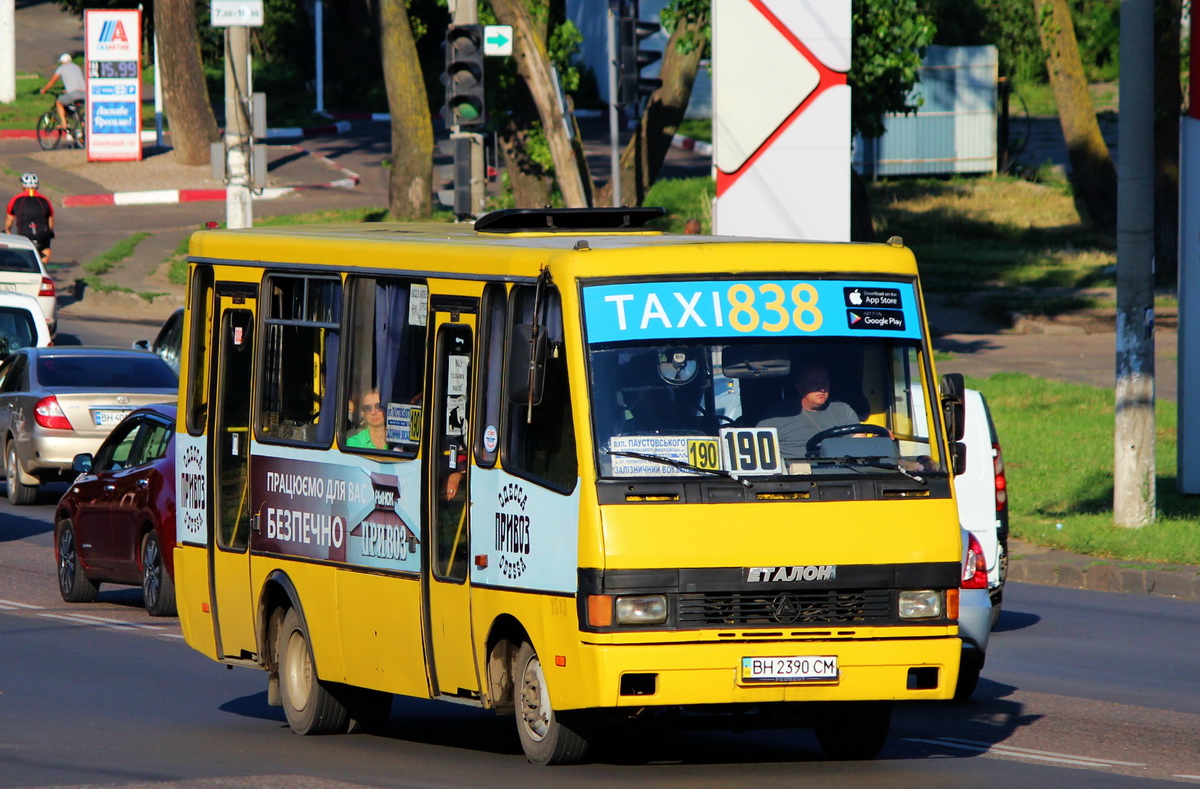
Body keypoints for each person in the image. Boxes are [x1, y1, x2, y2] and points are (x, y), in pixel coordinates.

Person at [757, 364, 862, 459]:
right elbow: (760, 456)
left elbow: (861, 449)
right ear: (799, 388)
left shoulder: (843, 410)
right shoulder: (774, 417)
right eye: (814, 383)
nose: (822, 388)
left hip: (843, 476)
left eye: (825, 382)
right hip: (793, 478)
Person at [5, 173, 55, 264]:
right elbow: (50, 221)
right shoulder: (45, 200)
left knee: (23, 253)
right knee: (46, 249)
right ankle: (42, 267)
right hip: (42, 233)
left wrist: (7, 230)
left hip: (24, 233)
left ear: (23, 185)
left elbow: (9, 220)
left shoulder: (15, 199)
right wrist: (50, 232)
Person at [39, 53, 86, 132]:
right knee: (78, 114)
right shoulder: (77, 67)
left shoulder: (61, 68)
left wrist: (44, 89)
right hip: (84, 94)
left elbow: (52, 81)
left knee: (59, 102)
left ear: (62, 62)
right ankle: (83, 132)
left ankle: (64, 123)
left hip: (73, 94)